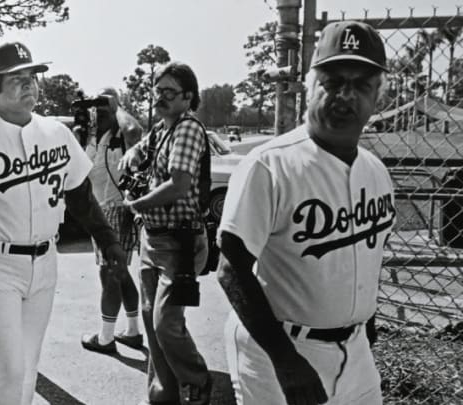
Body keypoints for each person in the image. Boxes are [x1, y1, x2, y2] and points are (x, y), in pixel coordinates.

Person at [0, 41, 129, 405]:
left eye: (32, 76)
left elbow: (80, 195)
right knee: (11, 369)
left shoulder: (56, 133)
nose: (28, 84)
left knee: (29, 367)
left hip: (46, 261)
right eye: (16, 77)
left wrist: (108, 239)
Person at [217, 21, 393, 405]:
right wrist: (285, 360)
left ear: (378, 96)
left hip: (356, 350)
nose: (346, 95)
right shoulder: (269, 165)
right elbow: (231, 269)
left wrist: (364, 330)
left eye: (362, 84)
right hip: (280, 347)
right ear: (311, 86)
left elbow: (366, 259)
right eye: (333, 80)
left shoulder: (377, 172)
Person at [119, 62, 212, 405]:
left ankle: (197, 379)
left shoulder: (187, 128)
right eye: (157, 91)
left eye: (169, 92)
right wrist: (131, 156)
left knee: (165, 324)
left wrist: (138, 203)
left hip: (179, 240)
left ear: (188, 97)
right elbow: (137, 153)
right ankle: (163, 392)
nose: (160, 98)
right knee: (148, 315)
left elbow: (179, 184)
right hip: (153, 238)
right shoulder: (162, 129)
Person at [80, 87, 144, 353]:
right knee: (120, 273)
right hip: (99, 210)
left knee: (110, 274)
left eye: (103, 107)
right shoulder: (94, 135)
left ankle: (105, 338)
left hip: (117, 209)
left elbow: (135, 132)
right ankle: (132, 330)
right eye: (97, 107)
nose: (99, 111)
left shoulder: (123, 133)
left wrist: (115, 105)